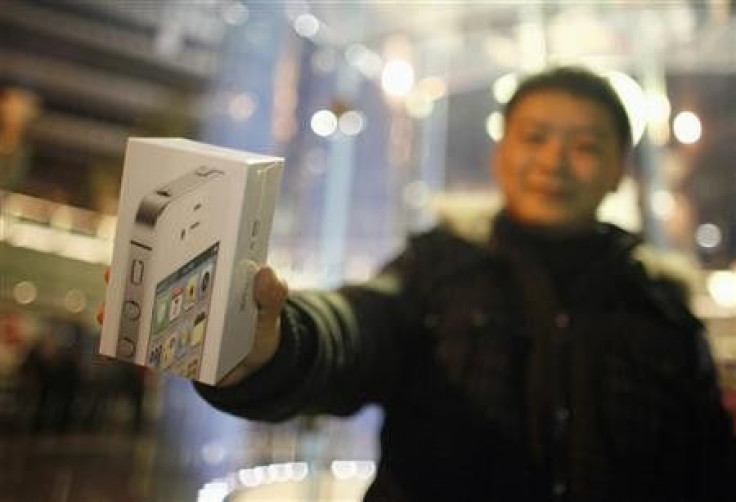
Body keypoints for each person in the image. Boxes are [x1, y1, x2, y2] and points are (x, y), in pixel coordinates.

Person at [193, 66, 735, 501]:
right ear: (502, 155)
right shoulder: (437, 265)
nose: (554, 161)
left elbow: (707, 466)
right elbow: (360, 327)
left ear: (620, 170)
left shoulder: (660, 304)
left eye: (586, 146)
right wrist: (273, 342)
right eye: (535, 137)